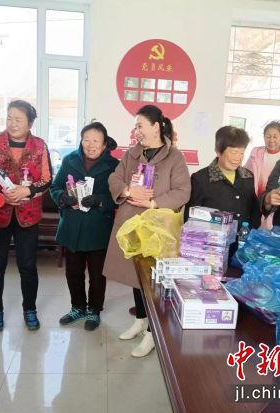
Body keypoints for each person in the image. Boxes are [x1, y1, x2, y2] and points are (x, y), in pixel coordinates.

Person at [104, 105, 191, 358]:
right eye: (136, 126)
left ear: (156, 127)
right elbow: (114, 179)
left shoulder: (175, 157)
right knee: (135, 275)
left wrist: (153, 203)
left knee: (154, 281)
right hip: (131, 224)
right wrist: (128, 191)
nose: (137, 131)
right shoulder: (132, 154)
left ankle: (154, 332)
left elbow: (183, 191)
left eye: (140, 125)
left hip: (157, 228)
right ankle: (140, 320)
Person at [0, 100, 52, 332]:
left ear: (30, 123)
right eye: (9, 118)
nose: (13, 123)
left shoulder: (39, 145)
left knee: (27, 266)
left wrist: (28, 190)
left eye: (18, 119)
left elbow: (47, 179)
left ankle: (30, 309)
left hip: (28, 215)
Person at [50, 122, 119, 331]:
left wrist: (100, 199)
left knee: (97, 275)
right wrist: (62, 197)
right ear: (81, 141)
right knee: (73, 272)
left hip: (98, 228)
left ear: (104, 144)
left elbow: (119, 196)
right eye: (86, 140)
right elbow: (55, 186)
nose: (90, 145)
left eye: (96, 141)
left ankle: (94, 310)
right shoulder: (69, 160)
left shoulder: (114, 165)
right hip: (72, 226)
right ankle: (78, 307)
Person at [185, 126, 261, 260]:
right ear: (218, 151)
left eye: (242, 153)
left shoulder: (248, 176)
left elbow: (254, 209)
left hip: (242, 248)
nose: (238, 158)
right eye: (233, 152)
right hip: (212, 251)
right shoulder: (201, 178)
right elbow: (190, 218)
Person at [244, 121, 280, 229]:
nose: (271, 140)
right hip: (257, 198)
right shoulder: (256, 152)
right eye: (268, 136)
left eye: (275, 136)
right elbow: (245, 172)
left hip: (277, 202)